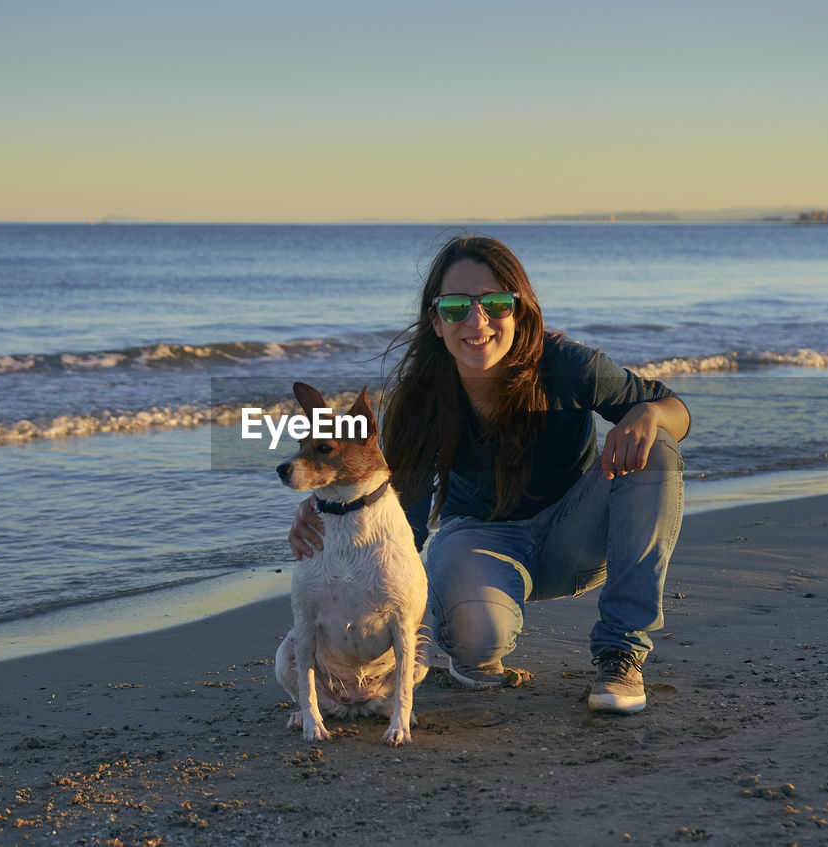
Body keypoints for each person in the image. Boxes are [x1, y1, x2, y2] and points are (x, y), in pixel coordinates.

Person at [288, 234, 689, 714]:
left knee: (658, 446)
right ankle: (471, 650)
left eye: (496, 303)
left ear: (518, 311)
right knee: (477, 642)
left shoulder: (568, 364)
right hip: (479, 539)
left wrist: (650, 415)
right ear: (436, 321)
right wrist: (326, 510)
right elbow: (397, 521)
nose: (477, 321)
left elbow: (675, 409)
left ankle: (620, 653)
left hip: (573, 536)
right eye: (456, 307)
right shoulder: (421, 399)